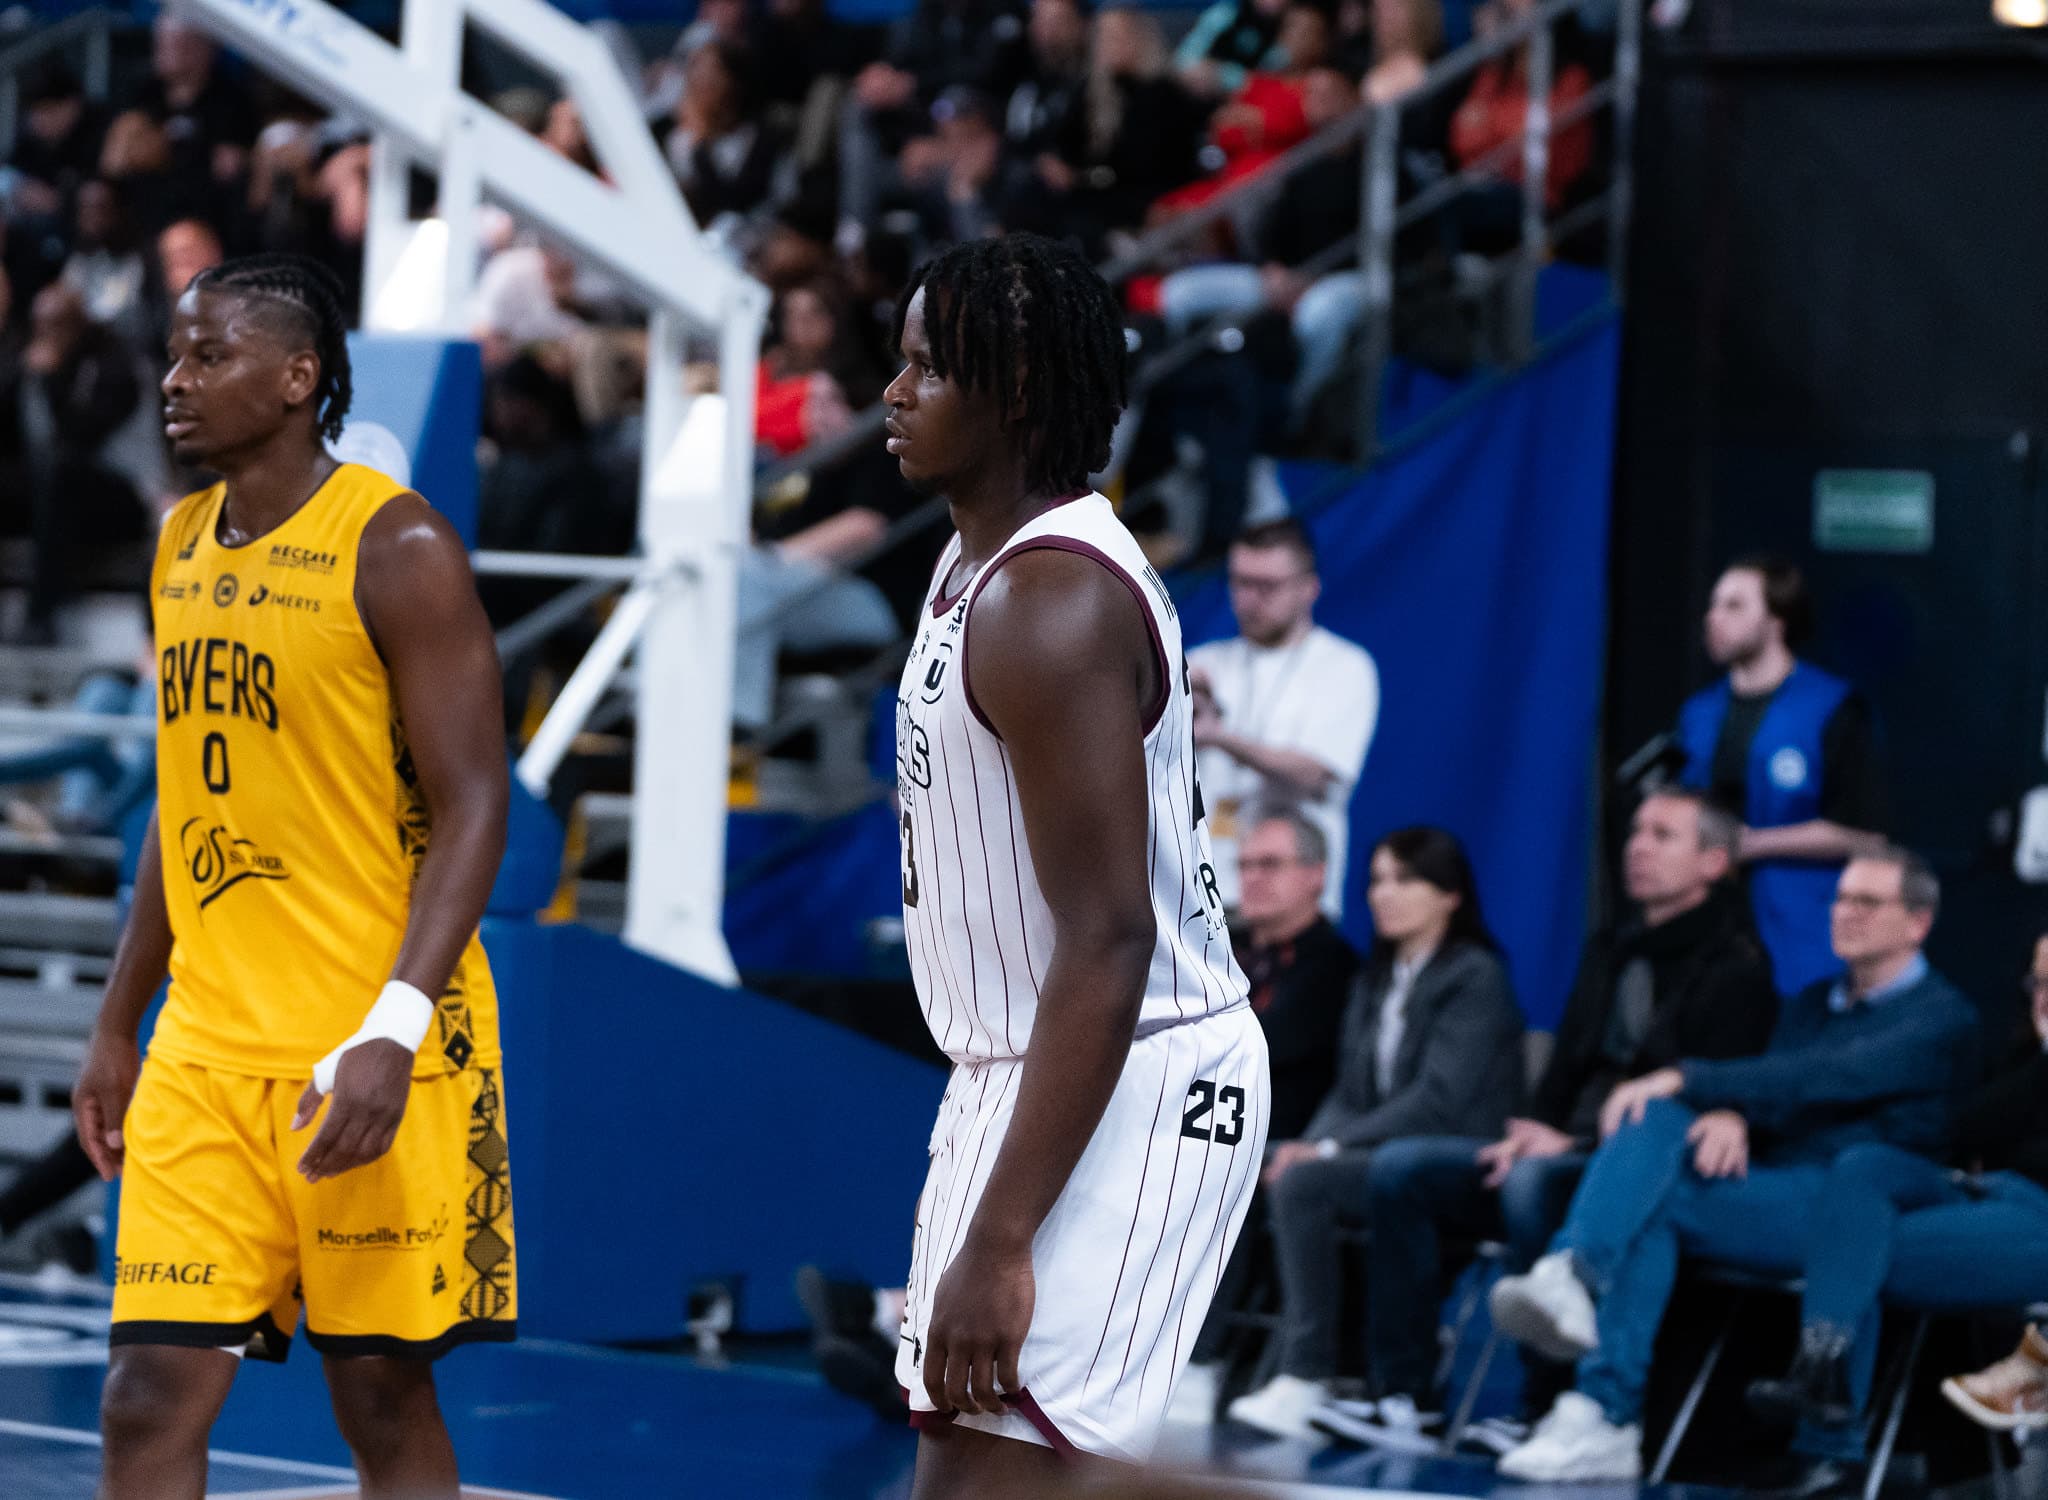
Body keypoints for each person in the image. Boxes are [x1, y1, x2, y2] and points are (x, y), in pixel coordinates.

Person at [70, 255, 516, 1499]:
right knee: (145, 1397)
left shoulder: (398, 543)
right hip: (206, 1051)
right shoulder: (177, 542)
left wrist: (392, 1029)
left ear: (296, 379)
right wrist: (116, 1021)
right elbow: (182, 804)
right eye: (175, 352)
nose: (175, 379)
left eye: (209, 355)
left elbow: (476, 804)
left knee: (380, 1396)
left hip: (366, 1041)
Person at [883, 233, 1268, 1487]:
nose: (893, 393)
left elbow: (1108, 940)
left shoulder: (1049, 604)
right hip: (1022, 1068)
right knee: (959, 1475)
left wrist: (1002, 1239)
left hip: (1138, 1071)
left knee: (1015, 1477)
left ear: (1016, 393)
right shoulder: (972, 563)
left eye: (929, 368)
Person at [1488, 847, 1980, 1484]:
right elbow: (1778, 1090)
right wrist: (1732, 1115)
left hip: (1855, 1210)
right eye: (1839, 898)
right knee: (1656, 1129)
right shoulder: (1812, 1002)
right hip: (1779, 1182)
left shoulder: (1943, 1017)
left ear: (1918, 922)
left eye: (1867, 901)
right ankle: (1583, 1332)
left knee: (1655, 1183)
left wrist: (1692, 1079)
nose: (1845, 912)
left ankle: (1600, 1385)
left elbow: (1825, 1077)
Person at [1333, 790, 1776, 1453]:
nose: (1638, 847)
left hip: (1627, 1167)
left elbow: (1687, 1109)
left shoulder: (1739, 966)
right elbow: (1565, 1065)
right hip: (1558, 1143)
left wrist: (1568, 1141)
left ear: (1714, 861)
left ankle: (1541, 1404)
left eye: (1663, 835)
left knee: (1531, 1184)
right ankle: (1404, 1396)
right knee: (1403, 1170)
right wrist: (1528, 1132)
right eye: (1635, 831)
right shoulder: (1610, 945)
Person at [1223, 827, 1522, 1439]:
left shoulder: (1475, 976)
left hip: (1459, 1157)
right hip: (1383, 1154)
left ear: (1451, 895)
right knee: (1246, 1159)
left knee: (1306, 1182)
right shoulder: (1374, 979)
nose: (1384, 894)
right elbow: (1350, 1092)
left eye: (1405, 880)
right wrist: (1308, 1145)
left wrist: (1327, 1150)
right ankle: (1207, 1359)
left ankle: (1305, 1372)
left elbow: (1438, 1102)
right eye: (1377, 880)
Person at [1741, 931, 2048, 1492]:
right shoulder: (2025, 1052)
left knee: (1856, 1248)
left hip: (2037, 1220)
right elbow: (1967, 1126)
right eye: (2039, 981)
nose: (2044, 996)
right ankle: (1822, 1363)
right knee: (1865, 1166)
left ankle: (1828, 1445)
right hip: (1982, 1195)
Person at [1676, 556, 1888, 996]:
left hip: (1797, 928)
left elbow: (1868, 836)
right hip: (1705, 921)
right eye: (1713, 605)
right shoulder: (1698, 713)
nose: (1714, 618)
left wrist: (1750, 844)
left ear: (1776, 621)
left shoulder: (1830, 707)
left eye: (1734, 605)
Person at [1188, 519, 1379, 918]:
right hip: (1205, 894)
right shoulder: (1202, 662)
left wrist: (1219, 737)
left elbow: (1315, 773)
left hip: (1294, 904)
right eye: (1240, 583)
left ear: (1309, 587)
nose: (1250, 599)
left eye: (1267, 586)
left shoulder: (1344, 666)